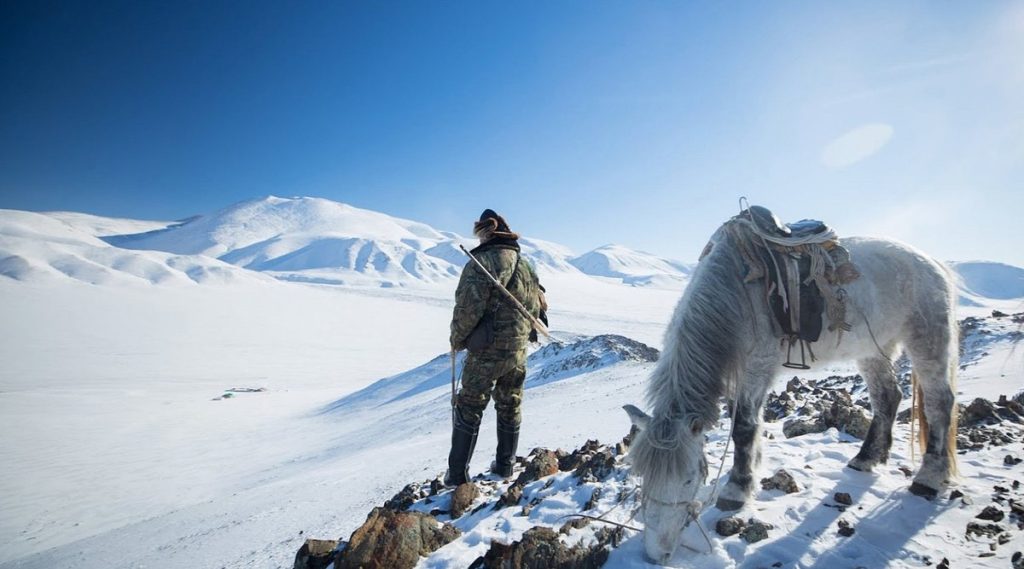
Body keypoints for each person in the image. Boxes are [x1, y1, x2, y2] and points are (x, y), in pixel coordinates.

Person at [445, 209, 546, 486]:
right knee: (510, 402)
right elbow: (537, 306)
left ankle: (456, 475)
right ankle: (505, 466)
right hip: (517, 349)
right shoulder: (526, 265)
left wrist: (456, 339)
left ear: (485, 232)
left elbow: (468, 308)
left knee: (469, 405)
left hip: (487, 350)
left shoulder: (481, 262)